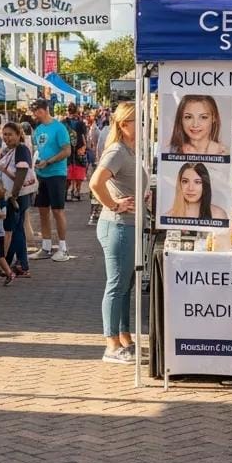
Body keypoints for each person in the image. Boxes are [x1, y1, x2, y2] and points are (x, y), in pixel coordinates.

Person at [89, 102, 138, 364]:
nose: (142, 125)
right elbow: (95, 182)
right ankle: (111, 344)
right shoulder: (118, 151)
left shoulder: (130, 151)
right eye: (136, 121)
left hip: (128, 223)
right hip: (118, 224)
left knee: (125, 285)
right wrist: (113, 204)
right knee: (117, 284)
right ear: (123, 125)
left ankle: (124, 336)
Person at [31, 99, 72, 262]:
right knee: (42, 210)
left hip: (57, 173)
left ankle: (63, 247)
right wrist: (38, 162)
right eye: (34, 111)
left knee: (57, 210)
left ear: (46, 110)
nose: (35, 114)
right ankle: (46, 246)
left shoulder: (59, 128)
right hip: (42, 174)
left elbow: (67, 150)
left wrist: (49, 161)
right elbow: (38, 150)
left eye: (38, 111)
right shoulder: (38, 129)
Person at [0, 121, 36, 277]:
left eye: (10, 134)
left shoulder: (21, 149)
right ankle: (15, 263)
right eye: (4, 134)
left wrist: (14, 194)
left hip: (17, 195)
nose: (7, 138)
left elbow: (21, 172)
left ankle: (21, 264)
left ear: (19, 135)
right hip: (13, 194)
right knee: (15, 228)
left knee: (15, 229)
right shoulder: (10, 150)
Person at [65, 103, 90, 202]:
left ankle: (65, 193)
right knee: (78, 173)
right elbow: (84, 137)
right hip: (78, 150)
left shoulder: (63, 123)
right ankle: (76, 192)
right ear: (76, 112)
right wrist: (85, 147)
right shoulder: (80, 123)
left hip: (66, 151)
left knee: (68, 174)